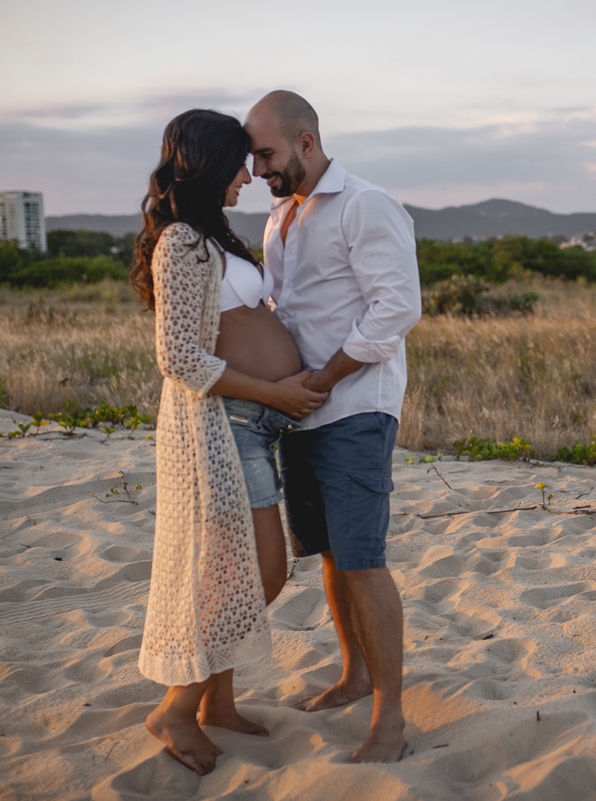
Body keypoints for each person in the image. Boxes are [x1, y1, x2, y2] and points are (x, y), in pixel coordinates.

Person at [130, 109, 327, 775]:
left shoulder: (210, 236)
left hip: (255, 424)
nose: (250, 174)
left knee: (230, 572)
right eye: (241, 161)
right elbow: (178, 357)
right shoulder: (181, 241)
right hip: (228, 426)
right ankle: (177, 707)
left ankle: (218, 702)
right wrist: (275, 391)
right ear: (210, 162)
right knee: (261, 570)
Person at [244, 90, 421, 763]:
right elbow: (283, 307)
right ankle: (354, 673)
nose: (258, 168)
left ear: (306, 141)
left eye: (266, 153)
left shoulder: (365, 204)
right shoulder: (281, 213)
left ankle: (391, 720)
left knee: (362, 558)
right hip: (299, 411)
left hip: (352, 408)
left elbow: (396, 308)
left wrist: (323, 379)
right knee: (325, 551)